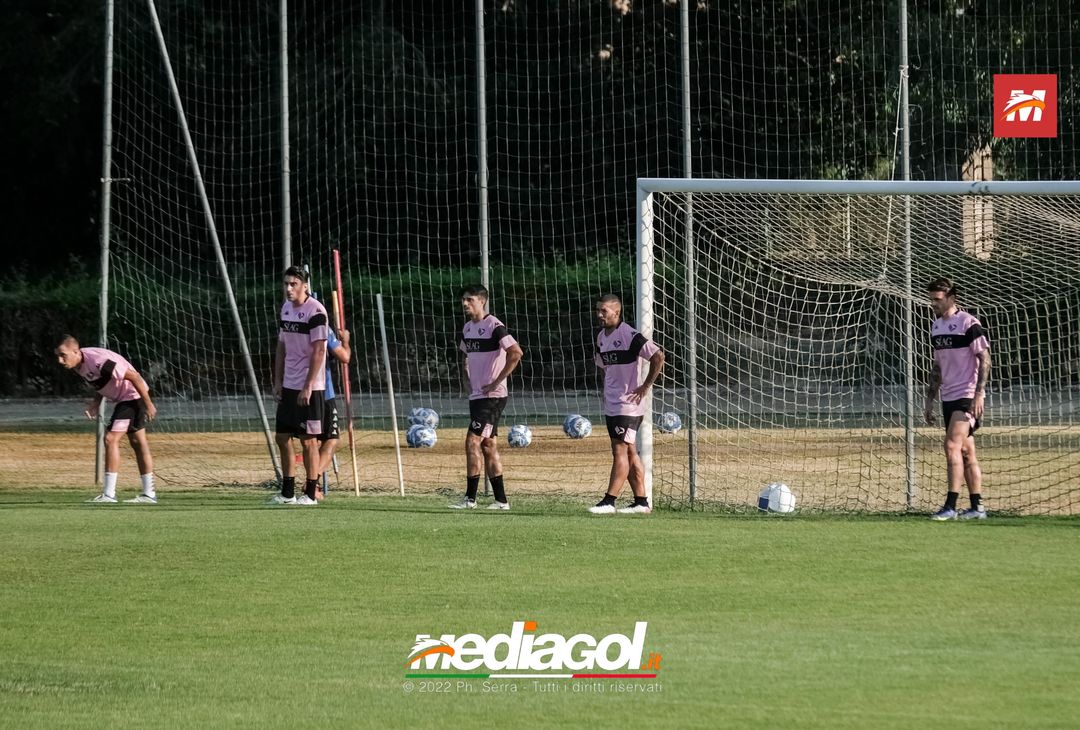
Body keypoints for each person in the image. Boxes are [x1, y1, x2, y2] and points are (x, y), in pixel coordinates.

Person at [55, 336, 158, 504]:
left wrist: (148, 404)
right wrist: (96, 403)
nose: (60, 360)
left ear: (75, 351)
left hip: (132, 397)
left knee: (110, 439)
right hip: (129, 398)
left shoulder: (99, 361)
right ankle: (149, 494)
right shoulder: (78, 365)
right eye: (58, 356)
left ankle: (109, 494)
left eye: (63, 355)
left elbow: (134, 377)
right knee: (139, 443)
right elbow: (103, 381)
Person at [588, 294, 665, 515]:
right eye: (598, 310)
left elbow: (658, 356)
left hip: (629, 405)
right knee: (630, 452)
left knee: (619, 449)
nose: (600, 315)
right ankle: (641, 502)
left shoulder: (629, 335)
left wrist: (645, 386)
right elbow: (603, 368)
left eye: (604, 311)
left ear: (617, 312)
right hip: (613, 403)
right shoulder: (601, 337)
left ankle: (609, 501)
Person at [449, 285, 524, 510]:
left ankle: (470, 499)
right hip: (477, 396)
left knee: (472, 440)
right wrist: (467, 383)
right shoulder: (467, 328)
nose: (465, 304)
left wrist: (496, 381)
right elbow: (464, 357)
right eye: (463, 300)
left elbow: (516, 353)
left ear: (482, 301)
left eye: (469, 300)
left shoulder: (494, 325)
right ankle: (501, 501)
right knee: (488, 445)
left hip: (493, 396)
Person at [923, 277, 991, 520]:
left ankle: (950, 506)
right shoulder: (936, 326)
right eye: (931, 300)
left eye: (937, 300)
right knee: (966, 451)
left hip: (967, 396)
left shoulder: (969, 323)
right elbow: (937, 367)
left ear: (951, 297)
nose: (934, 304)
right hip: (948, 396)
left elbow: (985, 358)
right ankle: (977, 508)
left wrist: (979, 394)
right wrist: (930, 398)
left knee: (951, 445)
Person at [269, 265, 328, 506]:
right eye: (286, 284)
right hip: (289, 384)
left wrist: (308, 386)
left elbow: (319, 351)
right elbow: (282, 347)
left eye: (293, 284)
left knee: (308, 440)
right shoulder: (285, 309)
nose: (288, 288)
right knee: (282, 437)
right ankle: (287, 493)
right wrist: (277, 380)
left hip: (310, 387)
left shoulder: (317, 312)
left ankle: (311, 493)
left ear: (305, 286)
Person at [314, 324, 351, 500]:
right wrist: (346, 342)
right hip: (324, 393)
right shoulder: (322, 328)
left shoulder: (289, 327)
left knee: (309, 441)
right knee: (330, 440)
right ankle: (312, 483)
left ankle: (307, 485)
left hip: (296, 390)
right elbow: (345, 357)